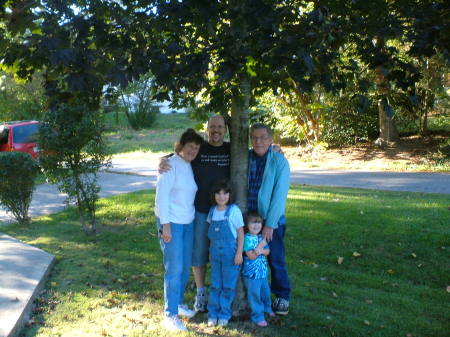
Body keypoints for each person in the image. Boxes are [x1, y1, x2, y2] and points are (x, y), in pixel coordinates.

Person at [159, 115, 230, 312]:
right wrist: (161, 160)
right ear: (207, 129)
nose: (216, 130)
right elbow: (178, 156)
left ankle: (218, 293)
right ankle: (199, 293)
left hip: (221, 212)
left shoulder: (231, 149)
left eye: (220, 127)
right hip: (197, 212)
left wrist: (275, 149)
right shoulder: (199, 149)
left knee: (220, 253)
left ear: (225, 129)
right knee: (196, 255)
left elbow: (252, 154)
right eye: (212, 127)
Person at [155, 128, 204, 331]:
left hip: (188, 222)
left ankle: (179, 304)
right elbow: (161, 197)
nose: (193, 151)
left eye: (196, 148)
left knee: (184, 267)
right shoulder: (170, 165)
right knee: (174, 268)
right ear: (181, 145)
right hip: (171, 223)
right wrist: (165, 226)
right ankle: (170, 314)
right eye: (190, 146)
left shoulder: (189, 165)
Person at [248, 123, 291, 315]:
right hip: (248, 222)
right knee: (250, 257)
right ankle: (255, 296)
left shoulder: (279, 161)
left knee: (275, 259)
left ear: (271, 139)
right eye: (255, 137)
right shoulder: (246, 158)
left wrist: (270, 224)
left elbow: (279, 195)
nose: (258, 141)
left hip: (270, 222)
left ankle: (282, 297)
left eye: (263, 137)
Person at [206, 180, 244, 327]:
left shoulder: (233, 211)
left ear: (230, 194)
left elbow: (240, 233)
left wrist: (239, 253)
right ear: (214, 195)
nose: (221, 196)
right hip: (215, 252)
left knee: (228, 285)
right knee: (215, 284)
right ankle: (213, 314)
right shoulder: (212, 211)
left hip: (230, 253)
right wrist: (210, 251)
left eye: (225, 193)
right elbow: (211, 235)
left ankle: (224, 314)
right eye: (218, 193)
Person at [242, 211, 275, 327]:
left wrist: (261, 250)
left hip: (262, 273)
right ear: (247, 225)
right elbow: (250, 255)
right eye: (253, 223)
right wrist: (260, 247)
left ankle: (267, 308)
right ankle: (257, 316)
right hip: (252, 275)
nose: (256, 226)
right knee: (255, 296)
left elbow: (268, 251)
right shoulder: (246, 239)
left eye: (259, 223)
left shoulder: (261, 237)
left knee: (266, 292)